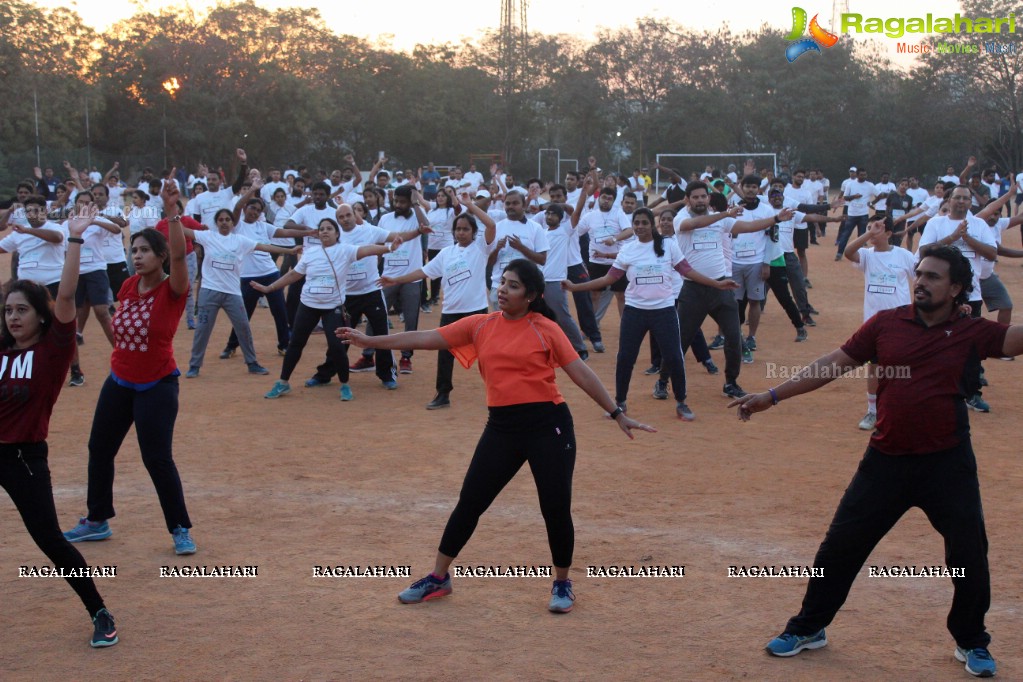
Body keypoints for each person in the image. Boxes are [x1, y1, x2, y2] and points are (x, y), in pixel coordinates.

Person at [728, 246, 1020, 679]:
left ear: (957, 288)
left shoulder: (973, 331)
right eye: (919, 274)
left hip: (948, 464)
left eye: (933, 277)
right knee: (841, 547)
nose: (920, 281)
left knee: (969, 555)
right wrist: (772, 396)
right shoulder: (888, 323)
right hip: (885, 460)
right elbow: (833, 364)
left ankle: (971, 640)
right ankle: (809, 628)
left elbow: (1017, 337)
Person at [338, 258, 655, 612]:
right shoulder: (481, 325)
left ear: (531, 296)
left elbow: (580, 373)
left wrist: (616, 413)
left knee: (555, 507)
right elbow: (425, 338)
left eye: (513, 285)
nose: (503, 290)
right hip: (502, 428)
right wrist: (370, 340)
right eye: (502, 282)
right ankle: (439, 578)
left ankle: (562, 583)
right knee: (470, 501)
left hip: (548, 427)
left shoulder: (545, 328)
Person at [0, 203, 119, 648]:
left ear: (39, 315)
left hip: (22, 458)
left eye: (21, 311)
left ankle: (100, 610)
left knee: (50, 540)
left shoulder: (52, 353)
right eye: (8, 310)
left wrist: (73, 238)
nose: (13, 317)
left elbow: (67, 297)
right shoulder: (2, 350)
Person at [63, 180, 198, 556]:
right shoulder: (126, 287)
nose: (136, 256)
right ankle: (96, 519)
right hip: (120, 380)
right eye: (133, 250)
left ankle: (179, 528)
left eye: (143, 251)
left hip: (157, 384)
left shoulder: (173, 290)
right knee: (99, 448)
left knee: (157, 459)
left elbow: (181, 257)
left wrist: (172, 215)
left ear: (160, 256)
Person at [564, 208, 739, 420]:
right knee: (625, 358)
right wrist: (575, 287)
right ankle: (619, 403)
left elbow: (688, 272)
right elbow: (606, 280)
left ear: (651, 224)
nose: (639, 227)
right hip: (634, 312)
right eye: (636, 223)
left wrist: (716, 284)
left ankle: (681, 403)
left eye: (644, 223)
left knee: (675, 357)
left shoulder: (668, 246)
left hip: (663, 311)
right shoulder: (628, 250)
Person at [255, 218, 399, 400]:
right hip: (308, 305)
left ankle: (345, 385)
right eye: (321, 228)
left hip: (332, 307)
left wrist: (388, 248)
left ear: (337, 233)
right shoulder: (310, 253)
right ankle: (283, 383)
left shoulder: (345, 250)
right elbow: (293, 274)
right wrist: (270, 288)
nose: (324, 231)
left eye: (329, 228)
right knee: (295, 345)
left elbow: (367, 249)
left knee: (337, 347)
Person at [378, 195, 496, 409]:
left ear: (473, 232)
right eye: (458, 229)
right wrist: (395, 279)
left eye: (465, 229)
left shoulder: (480, 248)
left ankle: (499, 392)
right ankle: (443, 394)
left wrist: (469, 206)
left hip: (476, 312)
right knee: (445, 355)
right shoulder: (445, 253)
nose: (461, 232)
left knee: (488, 354)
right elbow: (422, 272)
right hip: (450, 312)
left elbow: (491, 224)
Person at [179, 208, 297, 377]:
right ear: (216, 223)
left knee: (243, 327)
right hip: (209, 291)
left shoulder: (241, 240)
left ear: (233, 223)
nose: (225, 222)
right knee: (203, 330)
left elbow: (265, 247)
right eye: (221, 219)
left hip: (232, 293)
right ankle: (194, 366)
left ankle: (252, 363)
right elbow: (185, 231)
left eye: (228, 219)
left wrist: (290, 251)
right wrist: (172, 217)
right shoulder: (208, 236)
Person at [843, 219, 915, 430]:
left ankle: (900, 410)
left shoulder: (904, 255)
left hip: (902, 323)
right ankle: (872, 412)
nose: (873, 233)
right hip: (874, 325)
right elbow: (848, 251)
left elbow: (919, 279)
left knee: (901, 368)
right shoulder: (866, 255)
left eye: (879, 230)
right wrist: (868, 235)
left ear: (890, 233)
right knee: (874, 368)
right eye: (869, 229)